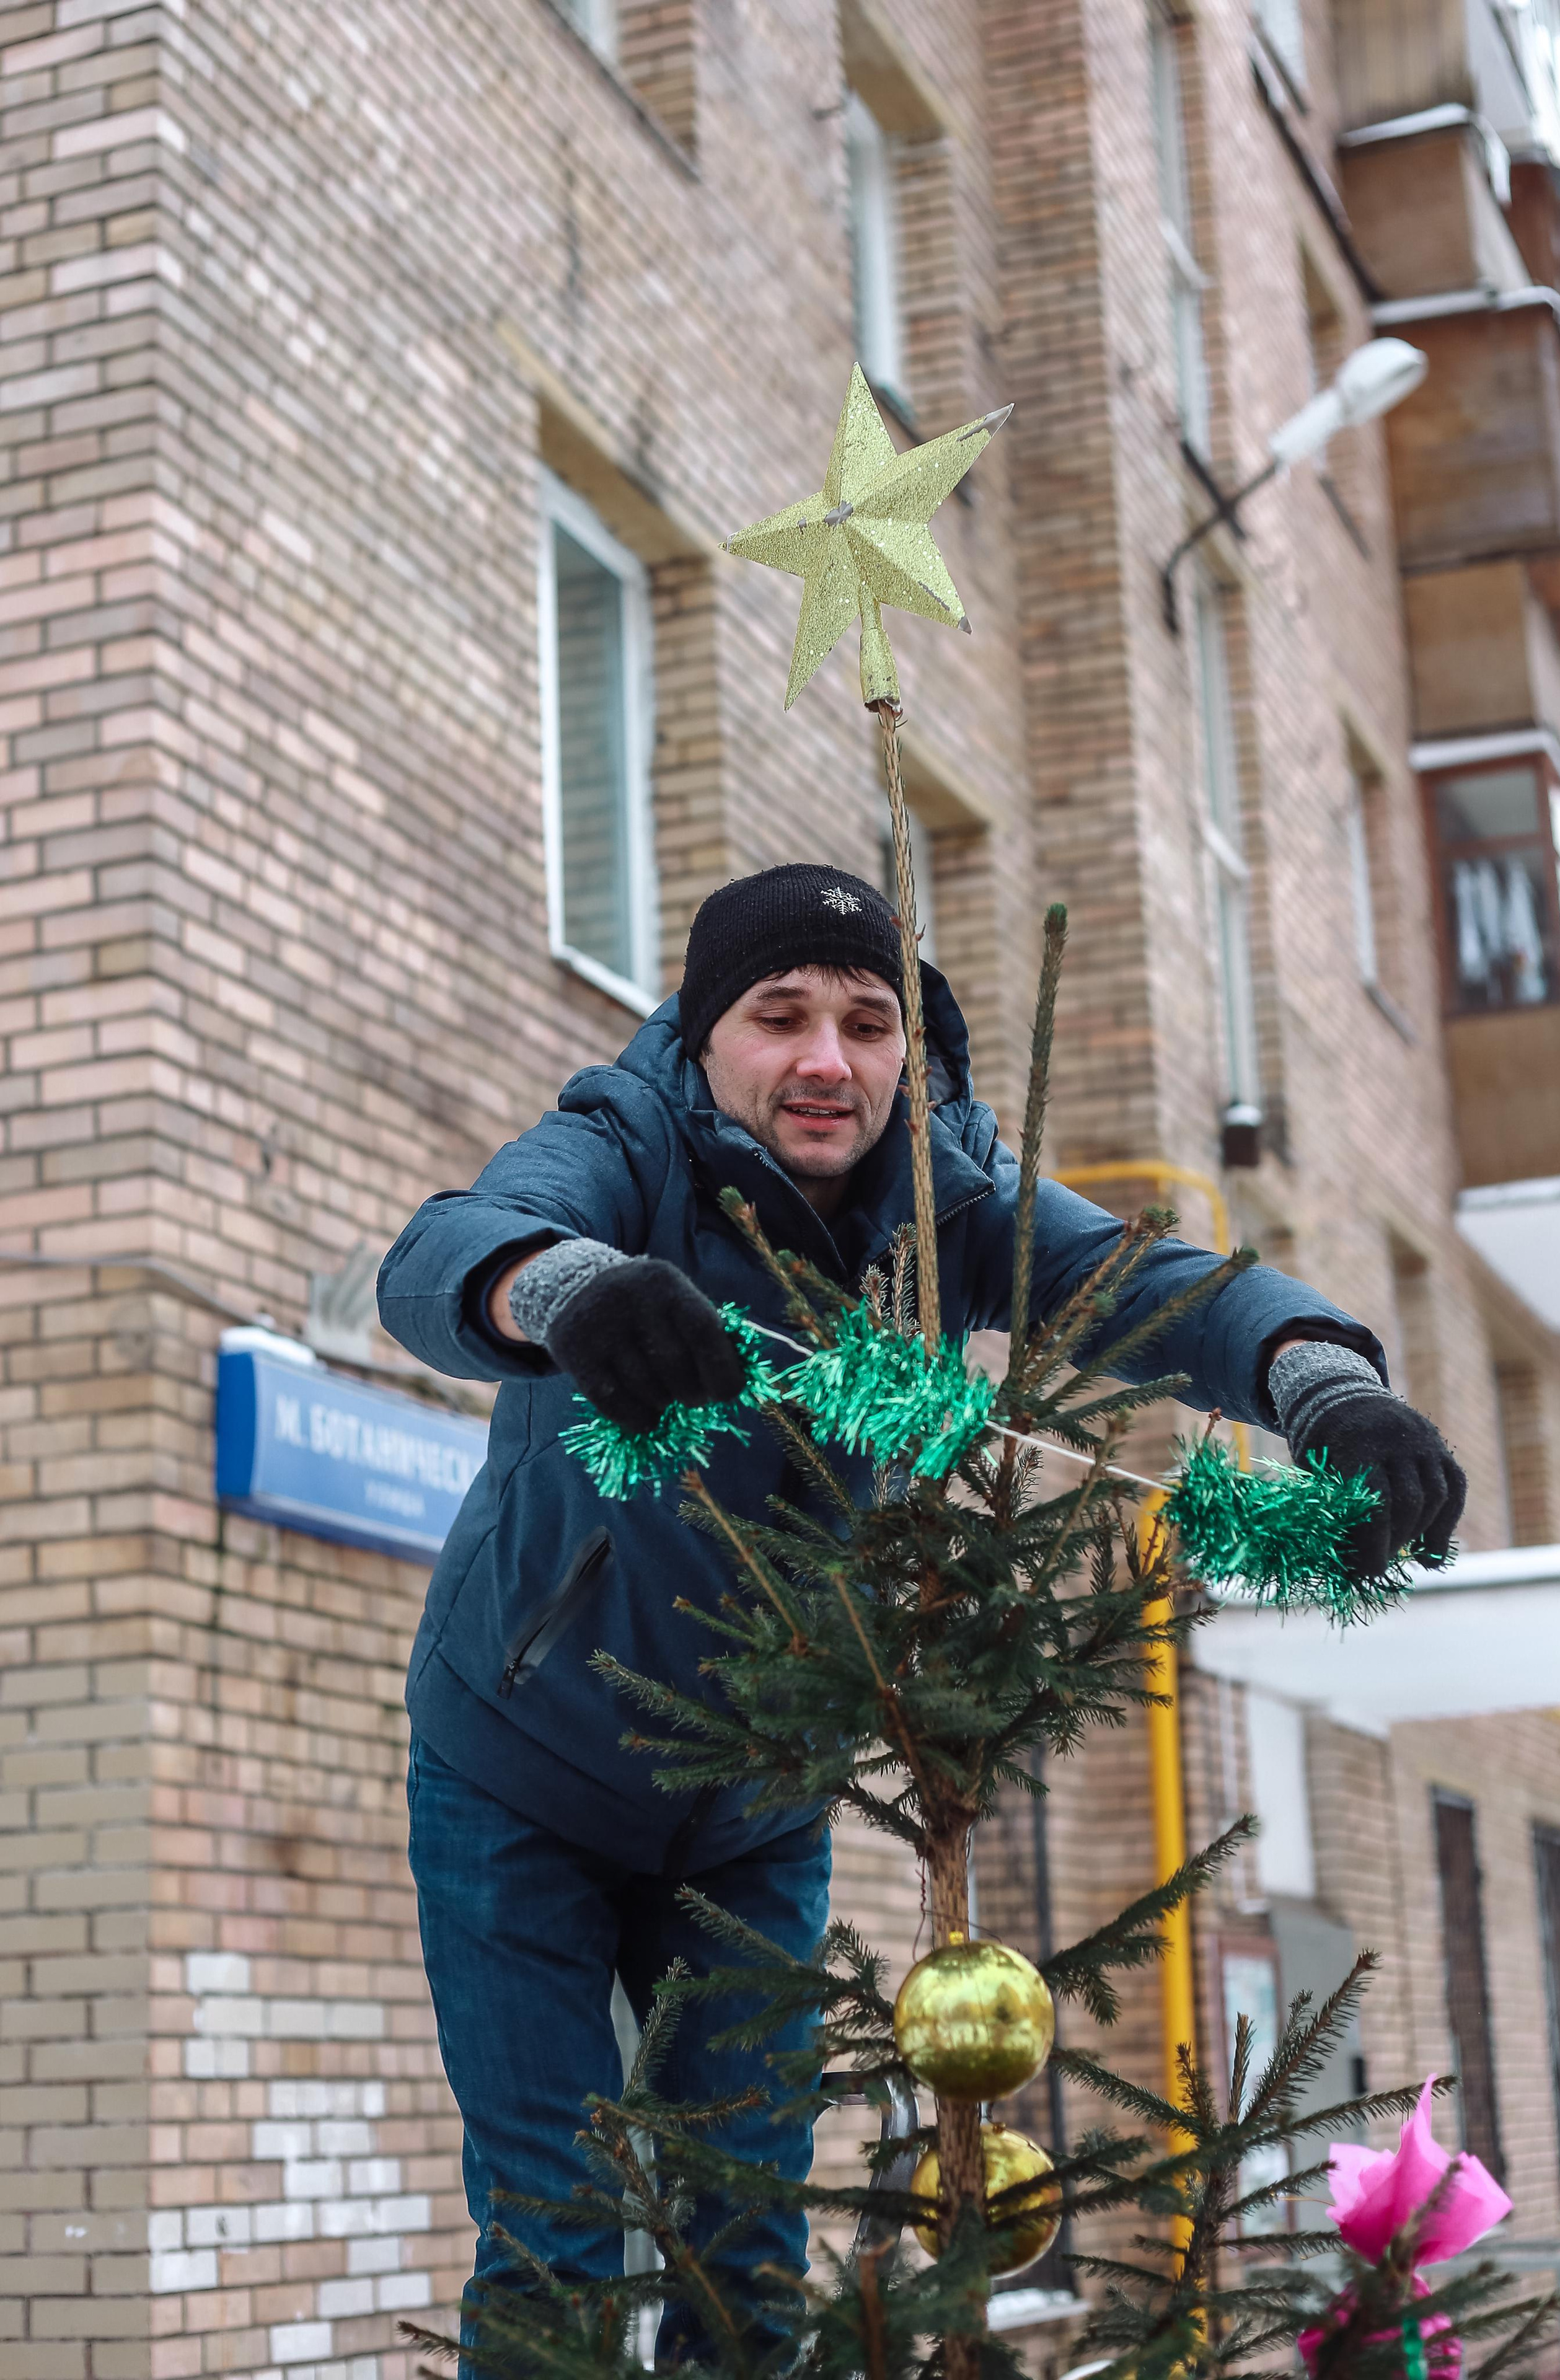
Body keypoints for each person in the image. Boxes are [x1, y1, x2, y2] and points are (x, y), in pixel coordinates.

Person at [377, 863, 1465, 2363]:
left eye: (866, 1022)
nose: (826, 1060)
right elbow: (449, 1246)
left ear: (908, 1047)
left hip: (756, 1802)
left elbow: (1169, 1292)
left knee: (742, 2232)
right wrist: (561, 1289)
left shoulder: (948, 1198)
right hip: (519, 1763)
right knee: (557, 2227)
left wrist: (1322, 1384)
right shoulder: (625, 1138)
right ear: (706, 1038)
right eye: (780, 1016)